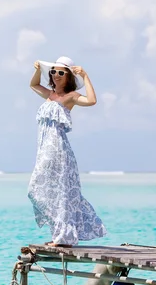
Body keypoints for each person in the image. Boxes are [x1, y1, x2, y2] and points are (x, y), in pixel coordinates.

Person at [27, 56, 107, 247]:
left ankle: (63, 237)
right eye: (53, 71)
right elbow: (33, 85)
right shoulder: (49, 94)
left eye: (61, 72)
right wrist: (39, 70)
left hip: (58, 151)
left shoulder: (70, 97)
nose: (56, 75)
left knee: (60, 192)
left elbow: (92, 100)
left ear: (68, 76)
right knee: (40, 191)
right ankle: (60, 234)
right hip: (44, 149)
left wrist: (86, 76)